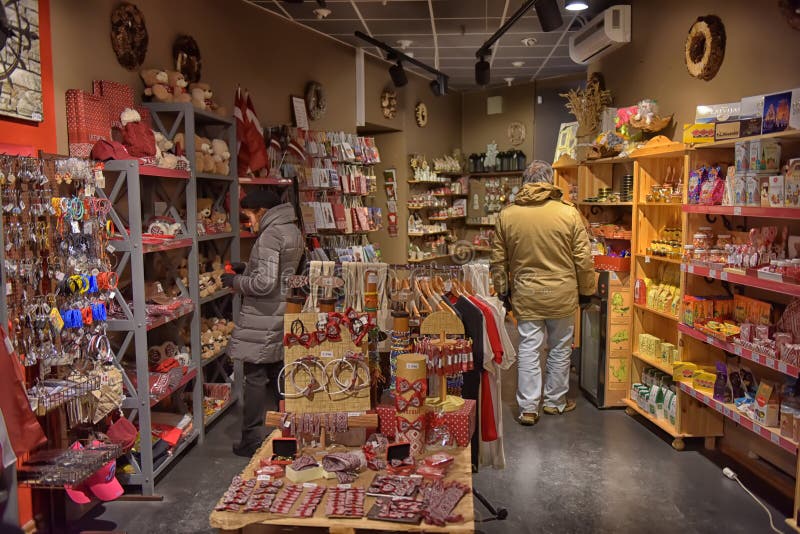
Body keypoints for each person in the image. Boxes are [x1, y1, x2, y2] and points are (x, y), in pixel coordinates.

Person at [491, 160, 595, 426]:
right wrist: (586, 291)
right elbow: (583, 259)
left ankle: (528, 408)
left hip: (526, 293)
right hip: (561, 292)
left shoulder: (508, 215)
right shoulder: (568, 213)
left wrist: (503, 290)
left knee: (529, 347)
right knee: (560, 347)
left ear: (525, 181)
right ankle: (554, 402)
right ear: (550, 181)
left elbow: (498, 261)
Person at [223, 187, 305, 456]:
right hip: (282, 312)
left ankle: (251, 441)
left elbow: (265, 283)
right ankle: (291, 431)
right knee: (278, 374)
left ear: (261, 211)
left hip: (263, 316)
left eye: (248, 216)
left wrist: (236, 281)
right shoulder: (292, 230)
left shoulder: (270, 233)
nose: (249, 223)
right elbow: (285, 276)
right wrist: (247, 268)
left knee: (255, 377)